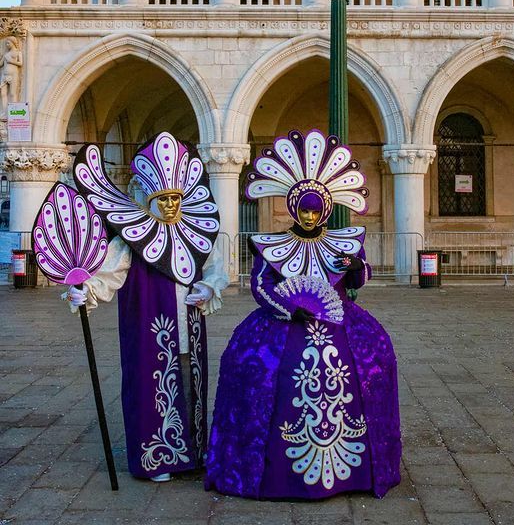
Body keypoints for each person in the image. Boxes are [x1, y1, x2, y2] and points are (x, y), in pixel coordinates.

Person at [204, 129, 401, 499]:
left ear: (324, 210)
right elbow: (261, 286)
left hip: (342, 321)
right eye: (304, 210)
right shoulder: (271, 245)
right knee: (259, 371)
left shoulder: (341, 241)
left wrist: (355, 264)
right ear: (294, 209)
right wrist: (290, 310)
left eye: (316, 210)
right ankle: (270, 468)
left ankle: (353, 470)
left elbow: (360, 276)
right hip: (284, 324)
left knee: (374, 363)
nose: (310, 216)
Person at [66, 132, 228, 482]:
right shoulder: (131, 238)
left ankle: (193, 452)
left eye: (175, 197)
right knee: (150, 387)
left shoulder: (197, 233)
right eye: (163, 198)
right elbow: (109, 274)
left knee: (189, 384)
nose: (171, 205)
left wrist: (207, 287)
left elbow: (216, 270)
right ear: (149, 198)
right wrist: (86, 293)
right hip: (149, 329)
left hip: (190, 325)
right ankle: (159, 457)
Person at [0, 36, 23, 115]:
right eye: (6, 43)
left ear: (13, 43)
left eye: (8, 43)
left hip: (13, 75)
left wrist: (11, 61)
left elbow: (20, 63)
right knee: (3, 93)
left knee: (13, 94)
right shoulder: (6, 54)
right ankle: (4, 112)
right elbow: (1, 64)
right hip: (4, 76)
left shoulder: (18, 52)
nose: (6, 45)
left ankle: (14, 112)